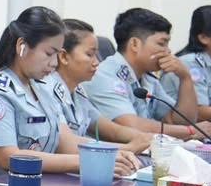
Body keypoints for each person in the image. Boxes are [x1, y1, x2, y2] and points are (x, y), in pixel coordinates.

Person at [0, 7, 140, 186]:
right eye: (49, 53)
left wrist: (111, 153)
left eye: (57, 54)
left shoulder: (43, 88)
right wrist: (89, 162)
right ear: (22, 46)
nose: (55, 63)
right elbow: (8, 157)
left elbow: (66, 142)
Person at [80, 7, 211, 140]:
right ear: (135, 44)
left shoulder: (148, 78)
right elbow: (131, 125)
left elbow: (180, 121)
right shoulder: (104, 76)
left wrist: (185, 78)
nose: (168, 51)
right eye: (161, 43)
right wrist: (190, 131)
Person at [51, 19, 153, 153]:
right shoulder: (48, 90)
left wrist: (146, 138)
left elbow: (110, 129)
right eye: (89, 54)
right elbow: (67, 143)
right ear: (64, 56)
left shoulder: (78, 91)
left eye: (96, 55)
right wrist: (127, 148)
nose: (97, 62)